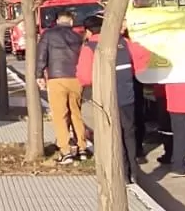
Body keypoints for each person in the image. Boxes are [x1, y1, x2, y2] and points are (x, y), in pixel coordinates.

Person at [76, 14, 151, 184]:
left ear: (88, 31)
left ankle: (122, 173)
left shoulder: (90, 47)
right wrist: (131, 72)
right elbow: (144, 55)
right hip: (127, 96)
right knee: (129, 134)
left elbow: (84, 77)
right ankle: (133, 172)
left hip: (106, 100)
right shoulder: (123, 42)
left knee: (113, 136)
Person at [36, 9, 87, 163]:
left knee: (60, 115)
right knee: (76, 113)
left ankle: (65, 151)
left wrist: (39, 75)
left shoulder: (48, 35)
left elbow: (41, 56)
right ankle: (82, 148)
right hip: (76, 78)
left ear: (57, 21)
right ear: (71, 21)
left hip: (56, 78)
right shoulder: (78, 36)